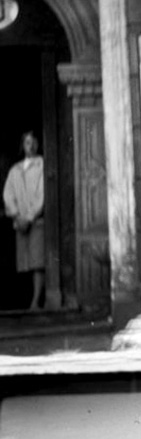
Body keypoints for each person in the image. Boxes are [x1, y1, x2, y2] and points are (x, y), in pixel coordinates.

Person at [3, 130, 45, 310]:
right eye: (27, 142)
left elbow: (42, 194)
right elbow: (8, 194)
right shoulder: (15, 170)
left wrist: (29, 217)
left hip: (36, 220)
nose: (31, 146)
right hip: (20, 221)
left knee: (37, 262)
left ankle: (36, 301)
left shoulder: (42, 165)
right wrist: (16, 215)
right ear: (23, 145)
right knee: (25, 262)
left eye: (33, 142)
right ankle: (27, 300)